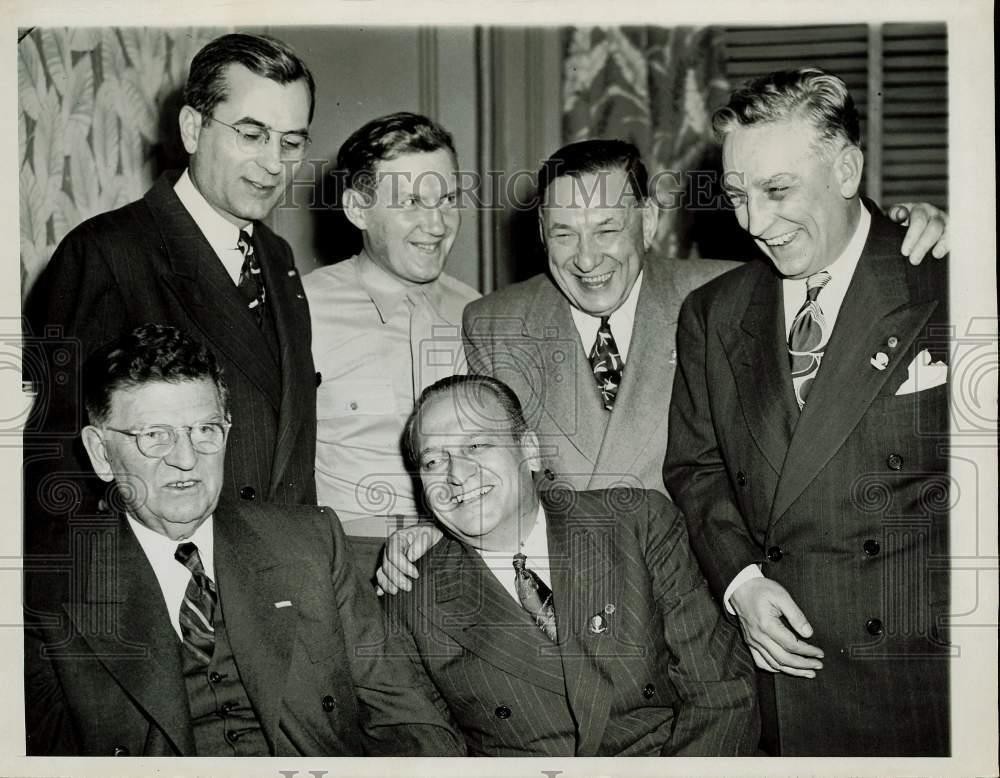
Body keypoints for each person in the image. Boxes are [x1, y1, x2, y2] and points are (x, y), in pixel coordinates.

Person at [377, 137, 950, 592]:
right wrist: (436, 530)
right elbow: (483, 460)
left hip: (706, 592)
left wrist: (913, 225)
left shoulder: (731, 295)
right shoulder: (495, 321)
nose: (586, 259)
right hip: (569, 602)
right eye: (563, 234)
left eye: (607, 229)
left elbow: (845, 264)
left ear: (648, 223)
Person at [663, 67, 950, 756]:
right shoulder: (712, 313)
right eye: (737, 196)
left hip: (921, 679)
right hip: (780, 676)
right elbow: (697, 470)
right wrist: (742, 582)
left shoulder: (949, 277)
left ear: (847, 170)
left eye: (778, 191)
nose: (755, 224)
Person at [23, 324, 465, 757]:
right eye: (155, 436)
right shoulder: (48, 591)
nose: (186, 459)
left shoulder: (309, 542)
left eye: (205, 430)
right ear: (101, 453)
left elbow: (406, 718)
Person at [24, 33, 319, 555]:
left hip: (282, 579)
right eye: (252, 134)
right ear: (191, 128)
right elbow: (57, 464)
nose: (275, 163)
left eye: (291, 141)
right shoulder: (106, 253)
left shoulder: (277, 259)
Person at [383, 374, 759, 756]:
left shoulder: (637, 524)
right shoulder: (410, 601)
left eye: (477, 444)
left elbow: (721, 692)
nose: (456, 474)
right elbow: (428, 752)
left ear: (529, 449)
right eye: (433, 460)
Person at [303, 112, 479, 575]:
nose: (437, 224)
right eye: (411, 203)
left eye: (447, 199)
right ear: (358, 209)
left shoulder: (478, 313)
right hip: (344, 567)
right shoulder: (302, 311)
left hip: (462, 558)